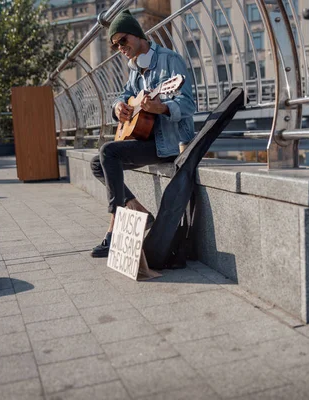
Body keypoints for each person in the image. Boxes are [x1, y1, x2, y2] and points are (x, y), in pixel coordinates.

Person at [90, 9, 196, 258]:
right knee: (97, 164)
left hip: (169, 145)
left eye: (123, 41)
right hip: (145, 141)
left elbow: (190, 105)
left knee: (108, 152)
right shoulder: (135, 69)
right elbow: (122, 95)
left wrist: (160, 108)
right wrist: (119, 108)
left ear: (137, 35)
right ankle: (138, 211)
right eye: (115, 45)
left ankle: (115, 227)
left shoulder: (171, 61)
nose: (120, 48)